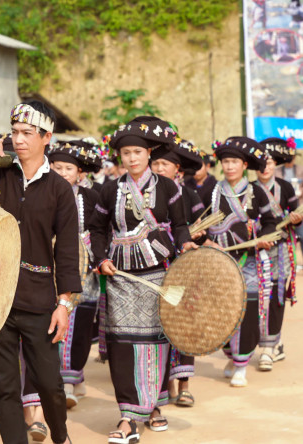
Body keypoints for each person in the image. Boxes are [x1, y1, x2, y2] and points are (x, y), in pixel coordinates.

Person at [0, 100, 78, 444]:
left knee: (49, 383)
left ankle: (61, 437)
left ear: (47, 137)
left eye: (27, 133)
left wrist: (64, 304)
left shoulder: (59, 189)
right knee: (4, 388)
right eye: (14, 132)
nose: (18, 140)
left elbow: (66, 252)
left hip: (39, 301)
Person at [89, 116, 197, 444]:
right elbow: (96, 228)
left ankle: (153, 406)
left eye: (138, 151)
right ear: (119, 157)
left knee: (155, 344)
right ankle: (128, 415)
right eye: (126, 153)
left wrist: (187, 243)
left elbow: (179, 227)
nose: (132, 158)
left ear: (149, 153)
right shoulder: (110, 189)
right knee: (123, 346)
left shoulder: (169, 188)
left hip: (159, 276)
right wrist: (101, 258)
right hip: (120, 277)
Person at [209, 137, 279, 387]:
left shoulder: (256, 191)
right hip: (218, 262)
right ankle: (230, 354)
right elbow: (195, 222)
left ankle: (241, 364)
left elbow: (270, 221)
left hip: (249, 263)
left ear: (244, 164)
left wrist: (263, 238)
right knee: (221, 313)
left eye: (234, 162)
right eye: (225, 162)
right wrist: (205, 241)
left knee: (247, 312)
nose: (229, 167)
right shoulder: (212, 190)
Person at [149, 138, 207, 408]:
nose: (159, 168)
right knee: (160, 325)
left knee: (184, 324)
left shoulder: (189, 195)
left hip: (183, 269)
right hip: (155, 269)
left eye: (165, 164)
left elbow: (201, 230)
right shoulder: (145, 193)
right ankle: (165, 384)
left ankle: (184, 384)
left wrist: (193, 236)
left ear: (178, 171)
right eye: (156, 163)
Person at [47, 139, 103, 409]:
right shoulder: (43, 193)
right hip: (52, 270)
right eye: (57, 168)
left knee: (79, 326)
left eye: (68, 169)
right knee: (55, 321)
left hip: (86, 274)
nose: (62, 174)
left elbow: (102, 231)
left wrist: (96, 256)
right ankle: (64, 381)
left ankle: (71, 378)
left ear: (80, 173)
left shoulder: (92, 197)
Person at [254, 137, 300, 371]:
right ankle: (271, 341)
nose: (266, 167)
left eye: (270, 163)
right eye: (261, 163)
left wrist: (295, 219)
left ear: (276, 165)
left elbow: (296, 214)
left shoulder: (286, 188)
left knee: (276, 297)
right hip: (254, 251)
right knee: (256, 296)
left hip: (281, 250)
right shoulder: (250, 189)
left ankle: (269, 347)